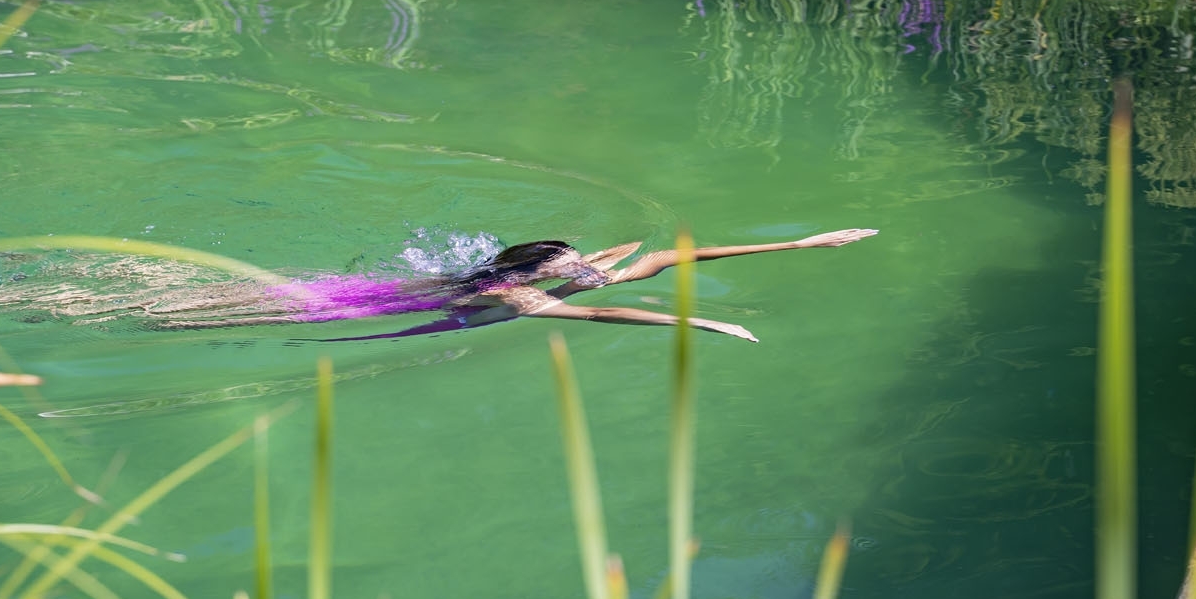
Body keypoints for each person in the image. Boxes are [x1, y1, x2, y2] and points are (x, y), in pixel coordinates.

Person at [156, 227, 879, 343]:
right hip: (362, 304)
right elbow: (608, 316)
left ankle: (138, 283)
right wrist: (697, 327)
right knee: (218, 311)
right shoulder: (520, 298)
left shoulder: (553, 272)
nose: (590, 270)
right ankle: (111, 298)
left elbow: (681, 257)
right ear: (537, 274)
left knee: (238, 295)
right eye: (573, 266)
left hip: (379, 286)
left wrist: (799, 241)